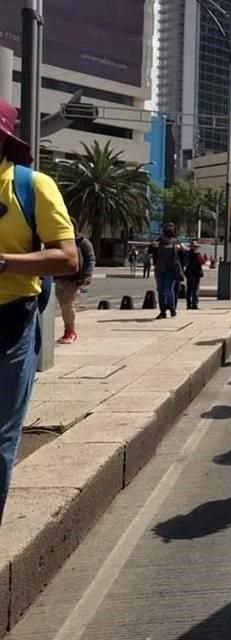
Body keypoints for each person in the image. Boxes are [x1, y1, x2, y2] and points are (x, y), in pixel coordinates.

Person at [0, 97, 78, 523]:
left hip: (9, 320)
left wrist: (4, 263)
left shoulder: (31, 186)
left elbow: (68, 259)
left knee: (0, 436)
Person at [53, 221, 96, 344]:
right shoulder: (56, 242)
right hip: (57, 278)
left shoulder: (82, 242)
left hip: (73, 279)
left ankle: (70, 331)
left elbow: (90, 259)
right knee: (62, 304)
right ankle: (68, 330)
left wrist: (87, 275)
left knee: (67, 304)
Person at [151, 224, 182, 319]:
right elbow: (150, 249)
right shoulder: (159, 240)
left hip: (171, 270)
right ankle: (163, 311)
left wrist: (180, 249)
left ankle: (172, 308)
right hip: (159, 270)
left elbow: (183, 255)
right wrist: (153, 246)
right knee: (161, 290)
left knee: (168, 289)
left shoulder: (176, 242)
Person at [184, 241, 205, 310]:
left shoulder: (187, 254)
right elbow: (202, 262)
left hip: (189, 273)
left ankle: (188, 304)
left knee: (189, 289)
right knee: (195, 289)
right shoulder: (197, 254)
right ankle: (194, 304)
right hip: (196, 273)